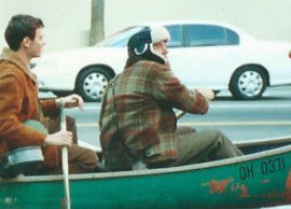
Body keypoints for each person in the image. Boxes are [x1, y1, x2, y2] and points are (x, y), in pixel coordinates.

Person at [99, 25, 242, 171]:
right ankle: (245, 172)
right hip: (147, 159)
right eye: (160, 45)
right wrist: (204, 96)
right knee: (216, 138)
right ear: (144, 49)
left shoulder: (115, 80)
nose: (166, 50)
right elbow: (196, 105)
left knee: (189, 131)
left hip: (120, 161)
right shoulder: (153, 70)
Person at [0, 14, 99, 175]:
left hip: (20, 142)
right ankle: (42, 181)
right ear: (27, 42)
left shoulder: (16, 68)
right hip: (12, 153)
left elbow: (27, 107)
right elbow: (4, 124)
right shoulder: (11, 76)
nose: (44, 42)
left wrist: (58, 103)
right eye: (40, 37)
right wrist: (47, 139)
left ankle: (59, 164)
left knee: (67, 123)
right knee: (89, 159)